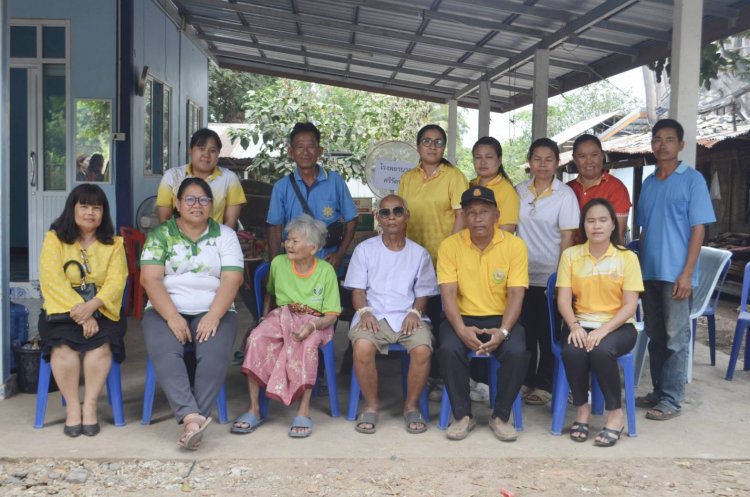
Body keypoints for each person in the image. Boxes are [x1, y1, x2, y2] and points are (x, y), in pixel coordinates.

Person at [140, 177, 244, 450]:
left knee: (212, 354)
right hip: (165, 307)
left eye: (203, 200)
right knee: (167, 353)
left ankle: (192, 421)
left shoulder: (225, 235)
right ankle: (191, 417)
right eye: (189, 199)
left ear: (211, 205)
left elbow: (232, 279)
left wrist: (214, 315)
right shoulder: (160, 235)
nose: (196, 205)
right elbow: (150, 280)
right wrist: (172, 317)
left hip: (214, 306)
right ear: (176, 203)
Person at [635, 118, 716, 421]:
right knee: (656, 335)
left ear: (681, 145)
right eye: (657, 139)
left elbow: (699, 230)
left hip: (676, 274)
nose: (662, 144)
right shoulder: (649, 182)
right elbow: (642, 230)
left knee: (675, 338)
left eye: (669, 139)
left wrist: (687, 273)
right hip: (650, 273)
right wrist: (637, 271)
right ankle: (658, 391)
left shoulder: (692, 180)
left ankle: (672, 399)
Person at [234, 214, 341, 438]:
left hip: (316, 320)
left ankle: (303, 411)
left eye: (295, 241)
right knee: (256, 338)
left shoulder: (326, 271)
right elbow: (270, 294)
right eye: (288, 240)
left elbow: (331, 314)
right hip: (283, 314)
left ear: (313, 248)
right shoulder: (278, 264)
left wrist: (312, 327)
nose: (288, 245)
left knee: (307, 345)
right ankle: (254, 409)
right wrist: (263, 318)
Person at [437, 186, 530, 442]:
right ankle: (462, 415)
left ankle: (500, 415)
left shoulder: (514, 246)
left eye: (484, 212)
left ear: (497, 215)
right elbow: (448, 294)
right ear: (464, 217)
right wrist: (460, 329)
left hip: (500, 319)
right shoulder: (450, 246)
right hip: (462, 317)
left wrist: (503, 331)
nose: (478, 218)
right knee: (448, 349)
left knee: (517, 352)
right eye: (471, 213)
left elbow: (515, 295)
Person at [344, 194, 438, 434]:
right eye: (385, 212)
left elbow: (423, 293)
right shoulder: (364, 250)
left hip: (408, 316)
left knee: (422, 350)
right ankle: (372, 405)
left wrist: (415, 313)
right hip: (372, 315)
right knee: (362, 347)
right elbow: (357, 291)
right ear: (378, 218)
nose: (392, 217)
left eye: (397, 211)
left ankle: (411, 406)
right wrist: (364, 312)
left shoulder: (419, 253)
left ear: (407, 216)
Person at [38, 184, 127, 438]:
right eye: (84, 206)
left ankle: (89, 406)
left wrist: (91, 307)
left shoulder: (114, 244)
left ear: (103, 212)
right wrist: (80, 311)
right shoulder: (54, 239)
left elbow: (116, 281)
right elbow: (51, 280)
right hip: (61, 310)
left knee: (100, 346)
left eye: (96, 207)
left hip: (102, 310)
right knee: (62, 347)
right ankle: (73, 408)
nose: (90, 213)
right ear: (72, 209)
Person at [557, 198, 644, 447]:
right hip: (580, 322)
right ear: (583, 225)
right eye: (591, 220)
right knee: (572, 351)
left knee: (601, 350)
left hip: (618, 326)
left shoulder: (627, 258)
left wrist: (603, 330)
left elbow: (630, 305)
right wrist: (574, 325)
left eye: (603, 220)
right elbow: (563, 299)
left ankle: (615, 415)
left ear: (612, 225)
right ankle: (582, 411)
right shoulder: (571, 256)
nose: (597, 226)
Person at [516, 138, 580, 406]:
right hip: (521, 275)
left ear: (558, 162)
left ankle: (544, 384)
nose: (542, 165)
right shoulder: (518, 191)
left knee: (547, 333)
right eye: (537, 159)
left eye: (549, 159)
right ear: (529, 161)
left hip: (550, 276)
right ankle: (525, 379)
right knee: (525, 332)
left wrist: (560, 278)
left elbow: (567, 238)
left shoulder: (565, 195)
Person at [266, 122, 358, 271]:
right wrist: (275, 268)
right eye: (300, 147)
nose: (305, 152)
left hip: (328, 266)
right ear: (291, 151)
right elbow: (274, 229)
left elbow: (352, 219)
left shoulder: (335, 181)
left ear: (319, 150)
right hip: (293, 268)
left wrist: (340, 254)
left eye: (310, 146)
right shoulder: (281, 187)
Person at [397, 124, 469, 264]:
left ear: (443, 148)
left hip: (443, 257)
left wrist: (450, 251)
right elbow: (401, 216)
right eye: (426, 141)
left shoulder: (454, 176)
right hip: (412, 256)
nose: (432, 146)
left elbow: (462, 215)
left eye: (438, 142)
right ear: (418, 147)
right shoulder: (407, 178)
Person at [156, 128, 246, 229]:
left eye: (212, 150)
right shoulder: (172, 177)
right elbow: (164, 219)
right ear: (190, 150)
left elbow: (230, 222)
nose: (206, 155)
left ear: (218, 154)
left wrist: (219, 242)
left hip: (216, 241)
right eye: (201, 148)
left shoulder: (229, 179)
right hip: (178, 240)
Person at [567, 134, 631, 242]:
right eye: (582, 156)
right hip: (571, 257)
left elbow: (618, 234)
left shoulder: (616, 188)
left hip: (604, 256)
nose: (589, 161)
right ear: (574, 159)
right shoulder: (567, 189)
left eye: (594, 155)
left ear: (602, 155)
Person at [470, 136, 520, 233]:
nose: (483, 162)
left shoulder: (507, 191)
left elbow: (506, 232)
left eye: (489, 157)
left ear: (499, 160)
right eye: (478, 157)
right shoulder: (470, 185)